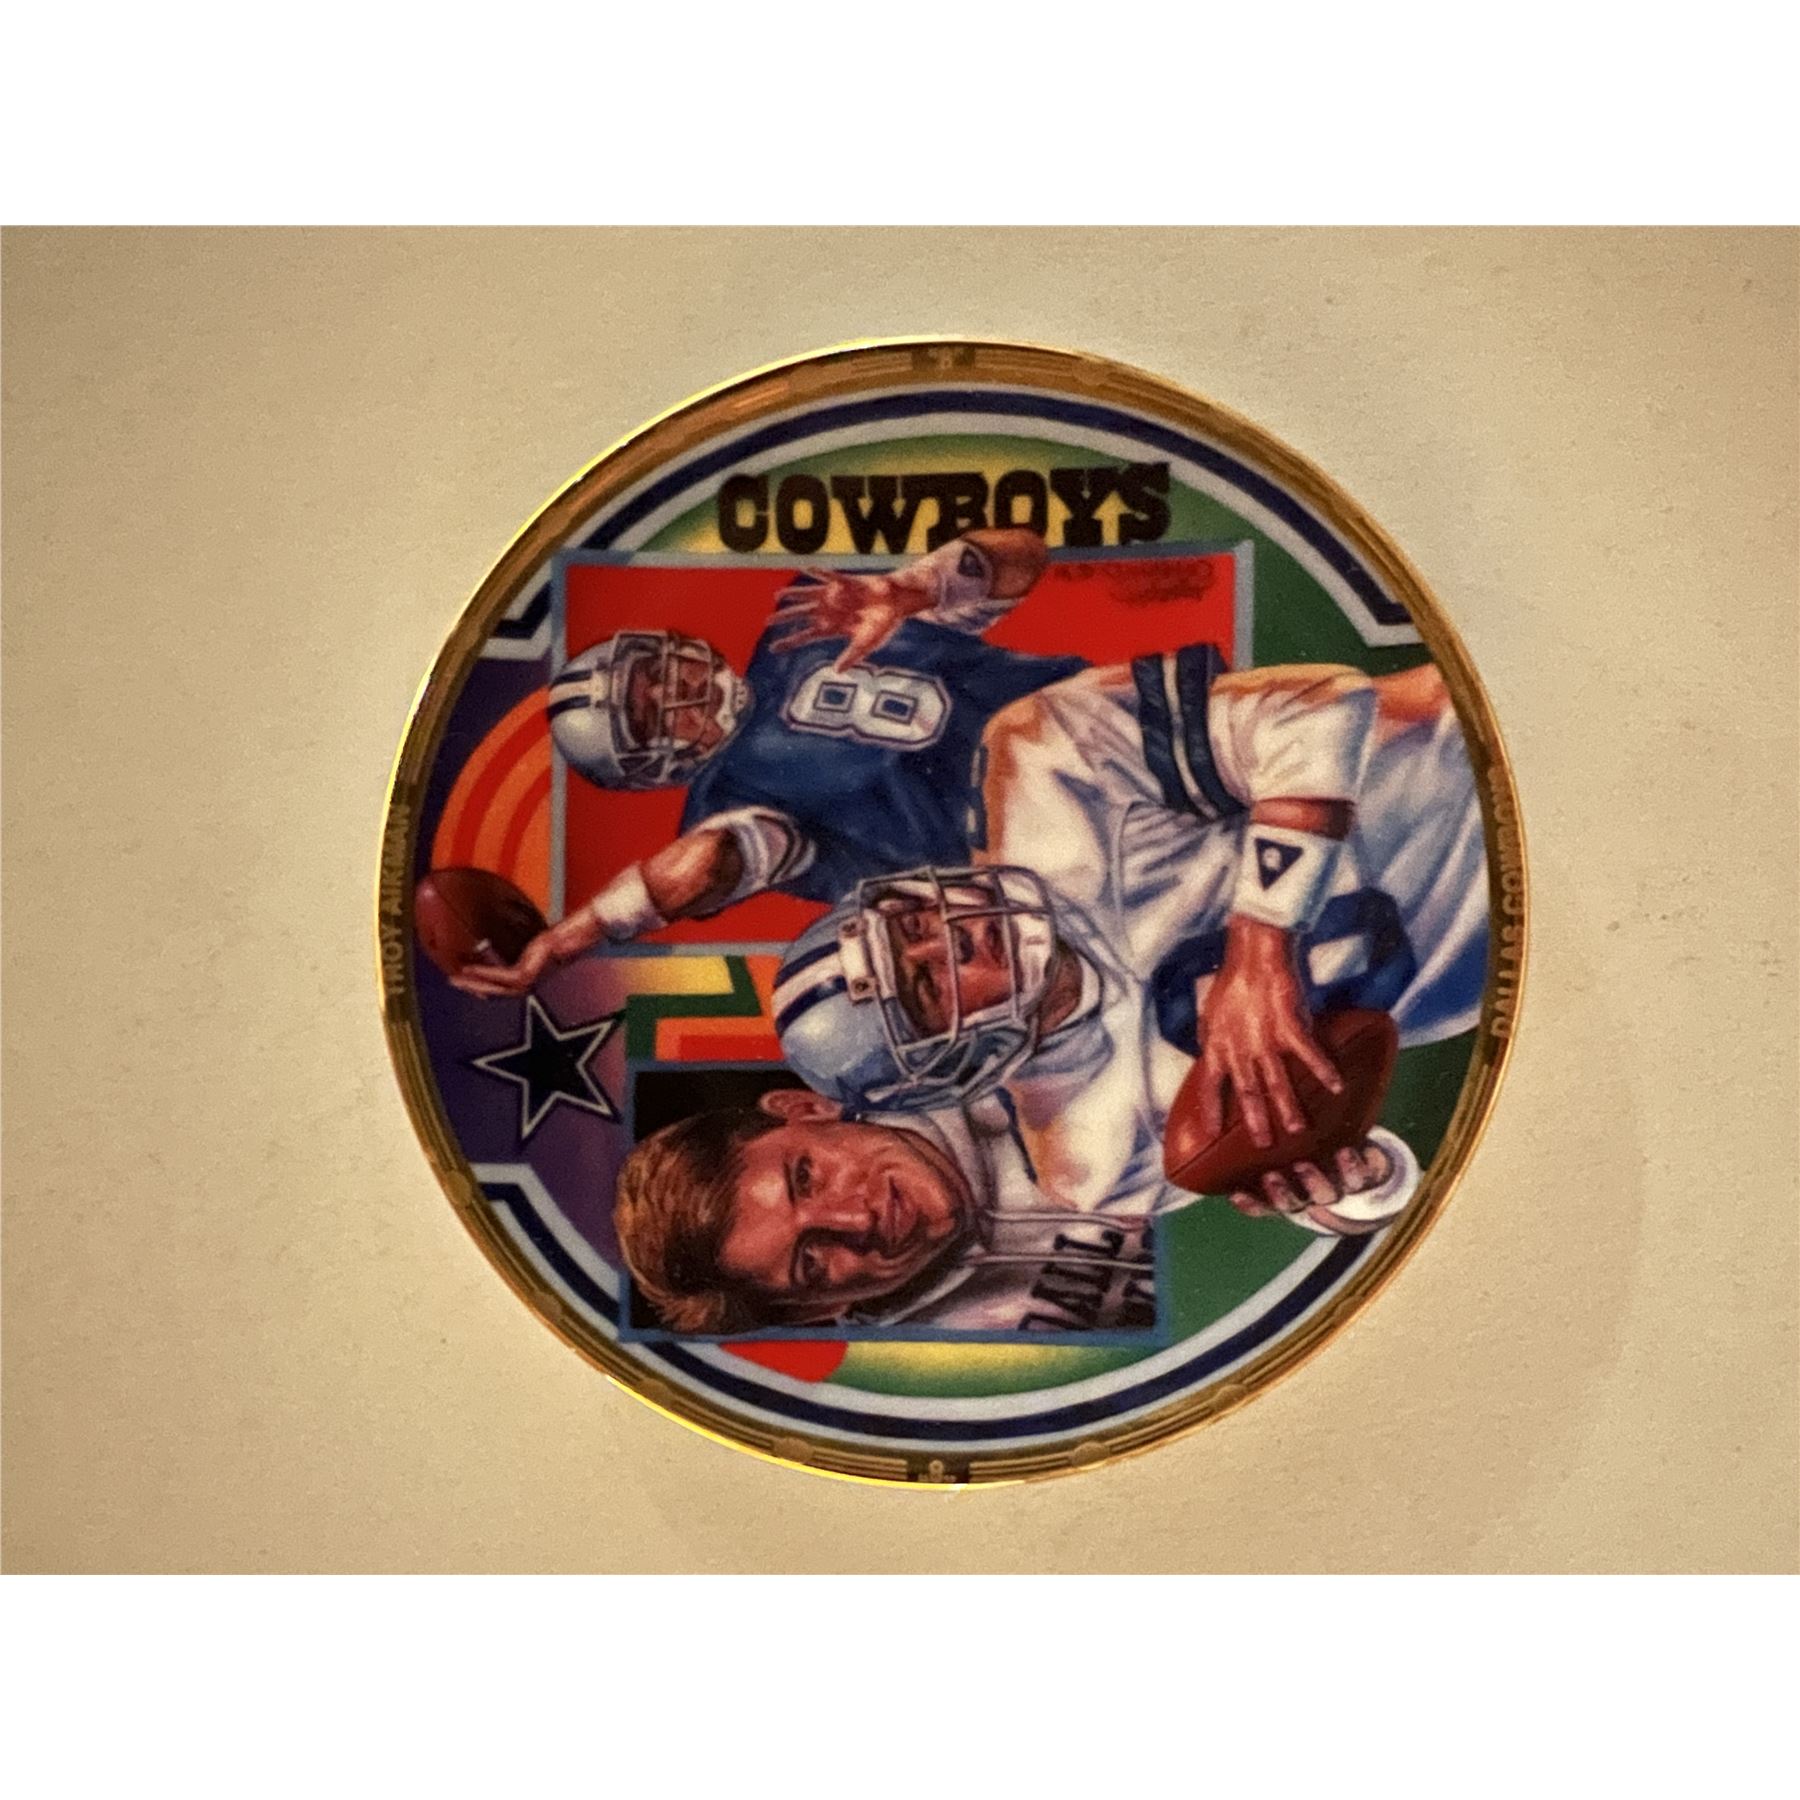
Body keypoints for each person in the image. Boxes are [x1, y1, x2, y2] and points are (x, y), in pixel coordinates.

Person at [773, 650, 1488, 1233]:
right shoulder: (1090, 1161)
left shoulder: (1039, 760)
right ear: (955, 1061)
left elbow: (1323, 703)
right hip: (1508, 975)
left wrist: (1261, 942)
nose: (948, 942)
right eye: (927, 987)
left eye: (912, 926)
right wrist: (1350, 1183)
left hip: (1490, 762)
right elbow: (1362, 1183)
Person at [452, 528, 1080, 997]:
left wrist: (909, 589)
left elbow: (1024, 557)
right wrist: (568, 939)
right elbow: (705, 864)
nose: (673, 691)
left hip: (1101, 715)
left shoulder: (807, 618)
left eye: (654, 671)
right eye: (648, 713)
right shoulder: (731, 800)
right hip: (1069, 849)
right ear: (650, 766)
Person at [613, 1084, 1190, 1335]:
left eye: (806, 1177)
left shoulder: (978, 1045)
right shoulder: (941, 1377)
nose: (855, 1221)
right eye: (811, 1262)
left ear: (807, 1107)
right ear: (820, 1310)